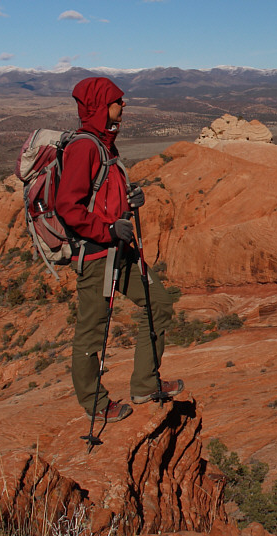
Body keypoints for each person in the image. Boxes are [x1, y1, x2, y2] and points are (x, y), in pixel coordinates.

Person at [56, 76, 183, 422]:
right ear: (100, 106)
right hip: (97, 255)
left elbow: (103, 197)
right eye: (117, 100)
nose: (123, 105)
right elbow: (68, 206)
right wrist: (107, 229)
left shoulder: (105, 145)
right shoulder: (85, 147)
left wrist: (130, 201)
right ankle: (95, 403)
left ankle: (145, 384)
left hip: (120, 249)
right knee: (92, 332)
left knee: (159, 303)